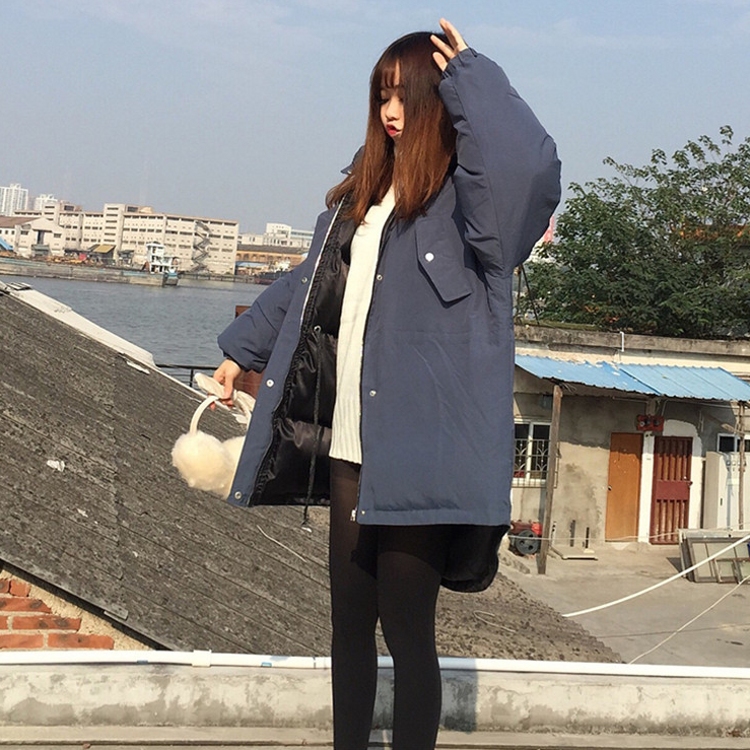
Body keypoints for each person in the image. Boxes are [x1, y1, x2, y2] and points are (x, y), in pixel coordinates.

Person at [212, 18, 560, 750]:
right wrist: (242, 350)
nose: (391, 110)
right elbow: (306, 285)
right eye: (381, 95)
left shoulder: (474, 214)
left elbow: (529, 168)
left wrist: (475, 78)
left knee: (407, 630)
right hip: (351, 443)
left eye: (405, 94)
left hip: (421, 449)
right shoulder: (363, 198)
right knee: (348, 625)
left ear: (438, 99)